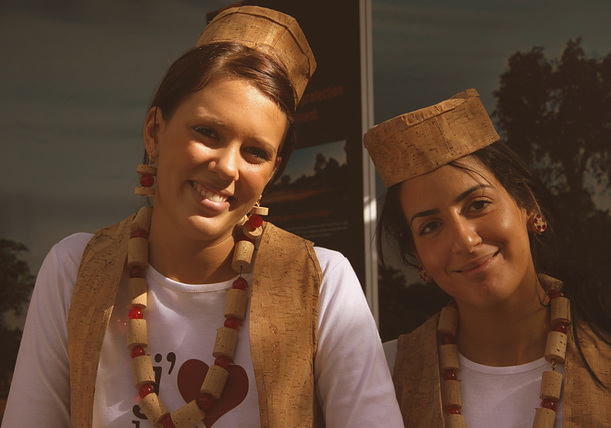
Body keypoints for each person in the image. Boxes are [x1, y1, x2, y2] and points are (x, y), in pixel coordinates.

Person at [3, 6, 403, 428]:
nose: (228, 168)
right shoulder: (75, 268)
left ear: (273, 172)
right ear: (154, 132)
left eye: (255, 152)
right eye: (208, 133)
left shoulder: (322, 281)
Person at [363, 88, 611, 427]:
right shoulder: (384, 377)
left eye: (478, 205)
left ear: (528, 206)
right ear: (418, 257)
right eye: (431, 226)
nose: (465, 240)